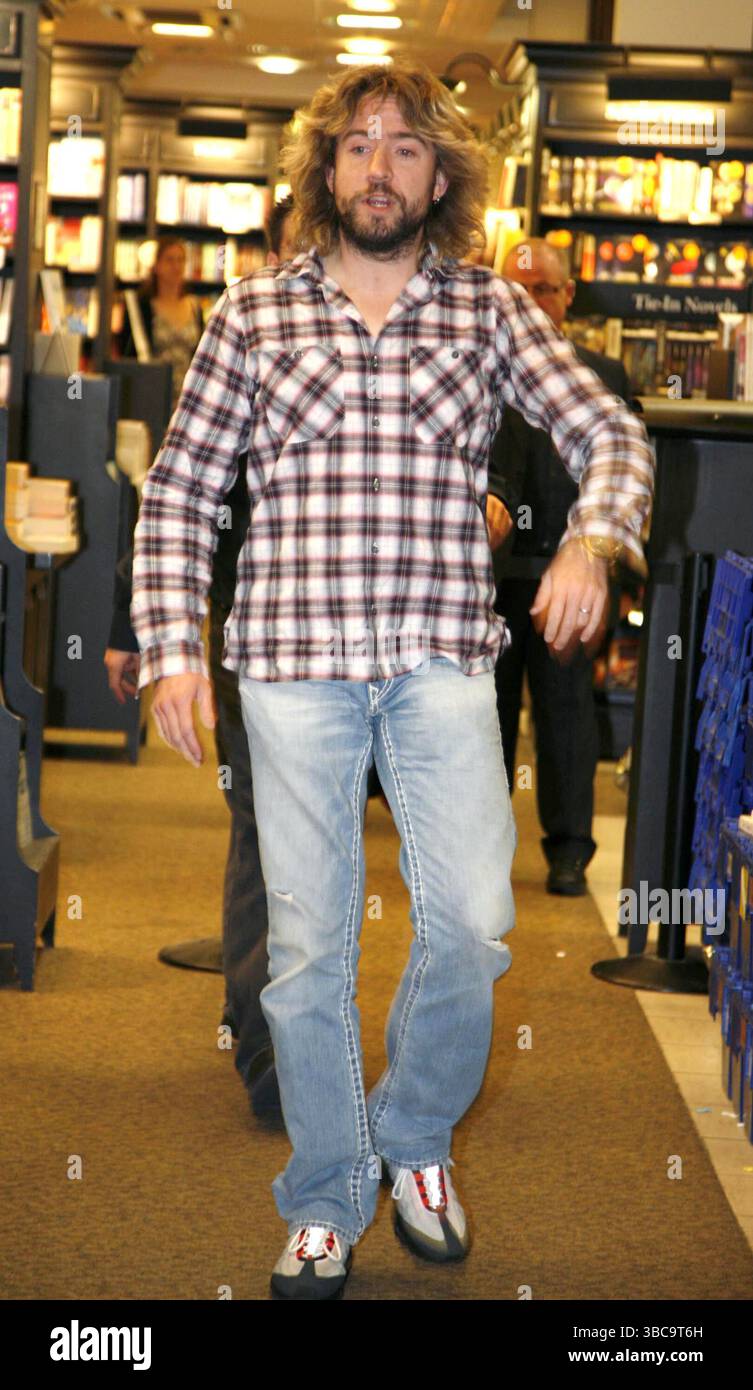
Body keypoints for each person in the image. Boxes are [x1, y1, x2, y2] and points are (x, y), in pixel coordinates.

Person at [129, 62, 654, 1301]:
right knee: (307, 952)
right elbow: (181, 495)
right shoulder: (252, 317)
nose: (380, 167)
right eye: (357, 146)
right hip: (294, 669)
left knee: (474, 924)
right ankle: (323, 1191)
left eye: (407, 148)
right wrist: (166, 649)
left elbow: (610, 432)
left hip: (439, 663)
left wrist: (592, 536)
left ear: (441, 176)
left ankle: (412, 1139)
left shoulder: (489, 311)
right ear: (325, 172)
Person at [104, 196, 298, 1117]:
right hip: (245, 630)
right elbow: (169, 492)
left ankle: (301, 1028)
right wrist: (133, 629)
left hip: (363, 648)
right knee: (261, 829)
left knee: (329, 852)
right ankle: (263, 1043)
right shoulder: (244, 328)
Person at [487, 238, 639, 897]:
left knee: (566, 713)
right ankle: (475, 851)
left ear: (567, 295)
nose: (530, 305)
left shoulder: (604, 376)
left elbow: (624, 479)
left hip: (569, 575)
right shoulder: (476, 370)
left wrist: (601, 561)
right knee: (479, 718)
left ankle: (569, 849)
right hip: (488, 578)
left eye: (541, 291)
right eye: (516, 293)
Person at [118, 236, 204, 411]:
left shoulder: (195, 306)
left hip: (187, 397)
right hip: (151, 393)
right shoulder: (141, 307)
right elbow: (127, 350)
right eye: (170, 260)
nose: (176, 266)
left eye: (181, 260)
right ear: (156, 266)